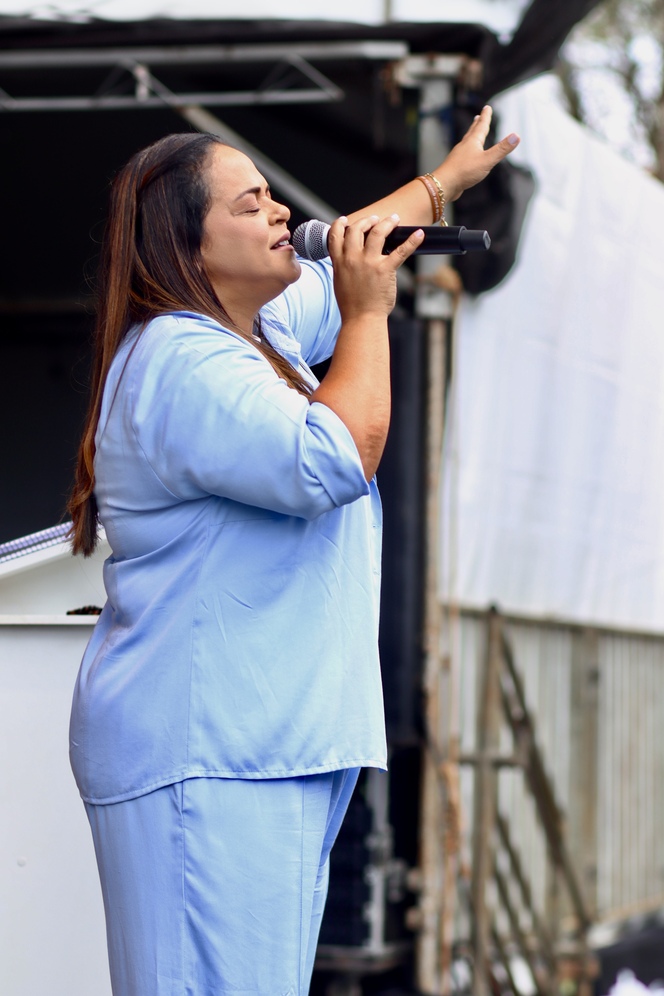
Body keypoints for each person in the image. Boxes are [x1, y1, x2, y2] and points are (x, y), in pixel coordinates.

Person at [68, 107, 519, 996]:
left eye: (275, 196)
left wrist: (441, 187)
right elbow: (332, 460)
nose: (283, 213)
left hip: (262, 746)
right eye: (251, 204)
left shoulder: (259, 335)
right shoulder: (182, 361)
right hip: (210, 751)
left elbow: (348, 251)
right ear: (185, 246)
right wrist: (370, 313)